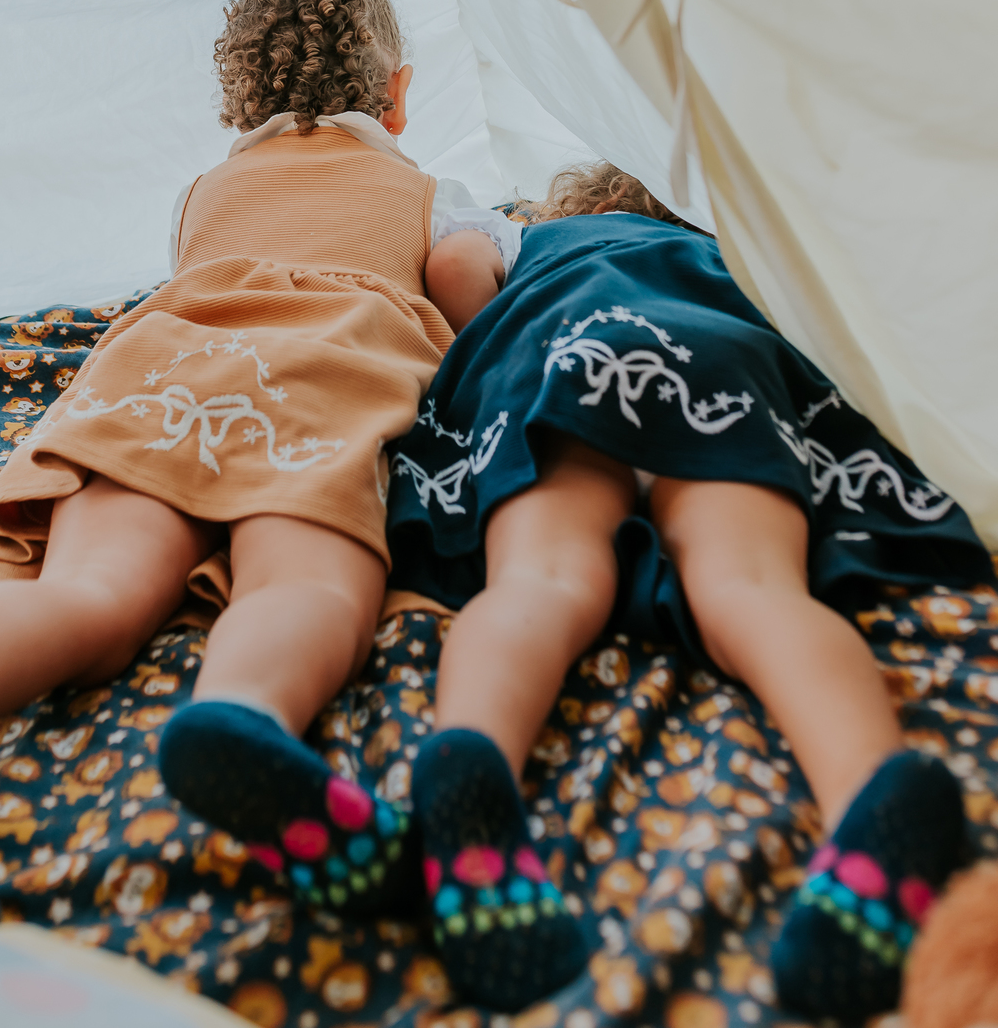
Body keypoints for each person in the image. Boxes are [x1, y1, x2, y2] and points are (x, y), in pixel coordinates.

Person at [0, 0, 515, 930]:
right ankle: (243, 715)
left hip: (162, 371)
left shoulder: (200, 194)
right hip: (320, 372)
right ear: (396, 98)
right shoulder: (432, 188)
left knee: (90, 593)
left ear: (242, 98)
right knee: (302, 581)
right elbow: (462, 272)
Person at [386, 162, 991, 1019]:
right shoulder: (722, 254)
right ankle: (869, 787)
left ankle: (473, 752)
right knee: (750, 587)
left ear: (587, 207)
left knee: (545, 577)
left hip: (557, 346)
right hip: (709, 346)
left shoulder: (529, 239)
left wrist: (489, 344)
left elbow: (451, 265)